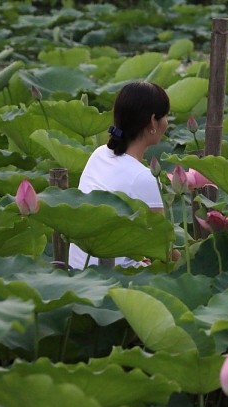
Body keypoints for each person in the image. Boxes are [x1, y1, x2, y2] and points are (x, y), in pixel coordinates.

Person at [68, 81, 177, 269]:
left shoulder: (99, 154)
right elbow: (163, 248)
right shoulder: (144, 178)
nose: (167, 122)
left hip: (78, 268)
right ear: (153, 122)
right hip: (114, 276)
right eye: (166, 116)